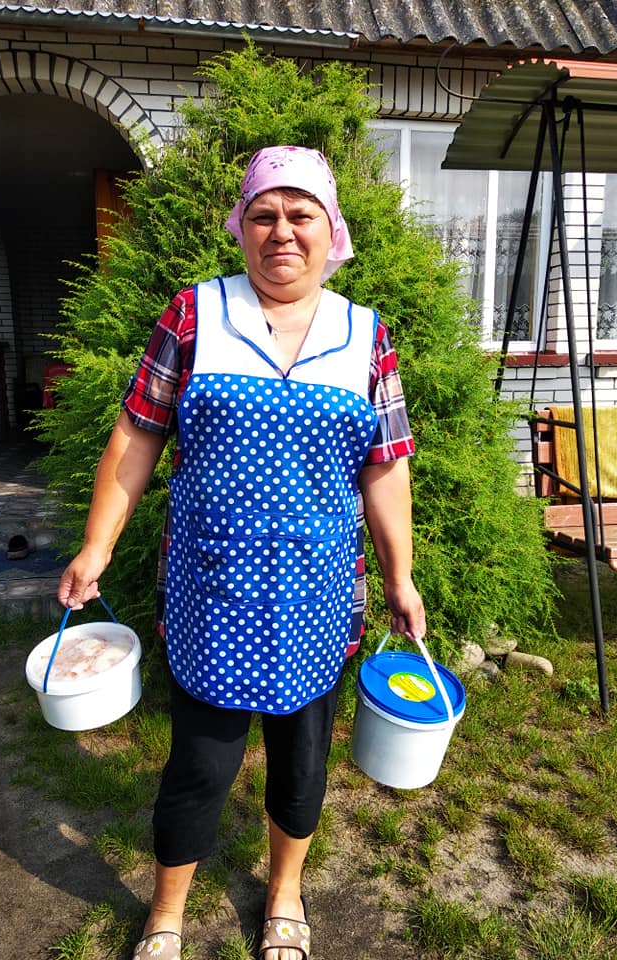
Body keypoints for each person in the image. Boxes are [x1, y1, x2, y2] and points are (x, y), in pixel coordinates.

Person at [58, 145, 426, 960]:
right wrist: (95, 546)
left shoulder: (366, 335)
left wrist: (400, 576)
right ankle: (166, 911)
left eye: (301, 215)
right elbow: (137, 435)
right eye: (264, 215)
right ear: (241, 227)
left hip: (317, 598)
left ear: (331, 230)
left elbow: (386, 466)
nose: (282, 231)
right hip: (212, 593)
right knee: (198, 766)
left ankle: (285, 892)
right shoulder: (195, 315)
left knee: (301, 765)